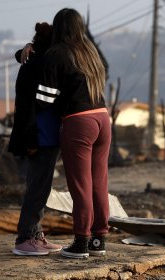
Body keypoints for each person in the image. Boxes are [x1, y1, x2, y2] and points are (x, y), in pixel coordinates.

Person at [36, 8, 111, 259]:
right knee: (99, 182)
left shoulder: (56, 54)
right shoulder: (90, 51)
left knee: (80, 186)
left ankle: (81, 241)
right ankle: (99, 239)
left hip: (78, 122)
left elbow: (44, 99)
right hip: (102, 118)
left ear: (58, 28)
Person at [8, 22, 62, 256]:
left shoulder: (32, 62)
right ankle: (25, 238)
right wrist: (31, 140)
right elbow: (31, 107)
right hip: (41, 136)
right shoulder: (41, 65)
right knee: (38, 189)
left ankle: (35, 234)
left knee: (39, 186)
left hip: (41, 135)